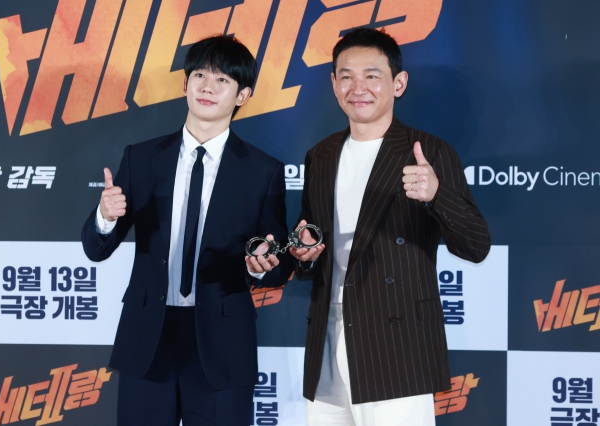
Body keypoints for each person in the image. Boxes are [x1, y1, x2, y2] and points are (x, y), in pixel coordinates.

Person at [81, 35, 292, 426]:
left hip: (222, 342)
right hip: (149, 338)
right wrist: (104, 216)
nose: (207, 87)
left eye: (222, 80)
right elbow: (96, 249)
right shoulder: (141, 158)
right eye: (199, 75)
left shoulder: (262, 171)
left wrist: (261, 265)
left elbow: (278, 263)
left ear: (243, 94)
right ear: (185, 84)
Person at [289, 28, 491, 425]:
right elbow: (310, 243)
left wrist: (435, 195)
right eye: (345, 76)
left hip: (396, 346)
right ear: (333, 83)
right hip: (327, 340)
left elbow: (476, 245)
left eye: (372, 75)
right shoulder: (321, 155)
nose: (357, 87)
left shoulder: (429, 151)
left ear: (398, 83)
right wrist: (304, 253)